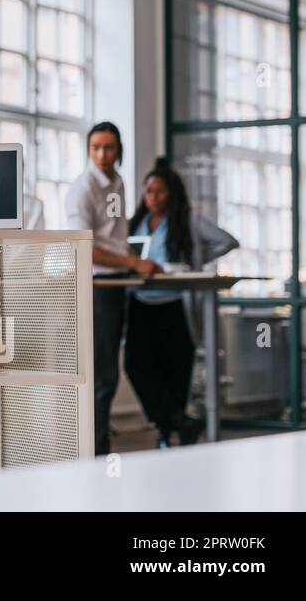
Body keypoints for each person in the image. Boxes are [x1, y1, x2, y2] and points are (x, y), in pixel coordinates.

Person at [125, 158, 238, 448]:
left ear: (172, 193)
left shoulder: (187, 220)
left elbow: (228, 241)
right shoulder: (135, 223)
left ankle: (168, 432)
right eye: (148, 191)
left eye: (160, 191)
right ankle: (178, 422)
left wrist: (195, 260)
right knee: (136, 365)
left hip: (174, 303)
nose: (153, 197)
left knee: (175, 368)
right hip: (141, 302)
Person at [65, 121, 156, 456]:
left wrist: (137, 260)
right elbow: (84, 246)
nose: (102, 154)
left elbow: (114, 238)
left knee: (111, 373)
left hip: (117, 283)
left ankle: (100, 444)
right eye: (96, 147)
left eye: (110, 147)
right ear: (88, 150)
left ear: (120, 151)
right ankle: (95, 451)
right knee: (102, 376)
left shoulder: (117, 182)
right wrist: (132, 263)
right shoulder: (83, 188)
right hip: (97, 285)